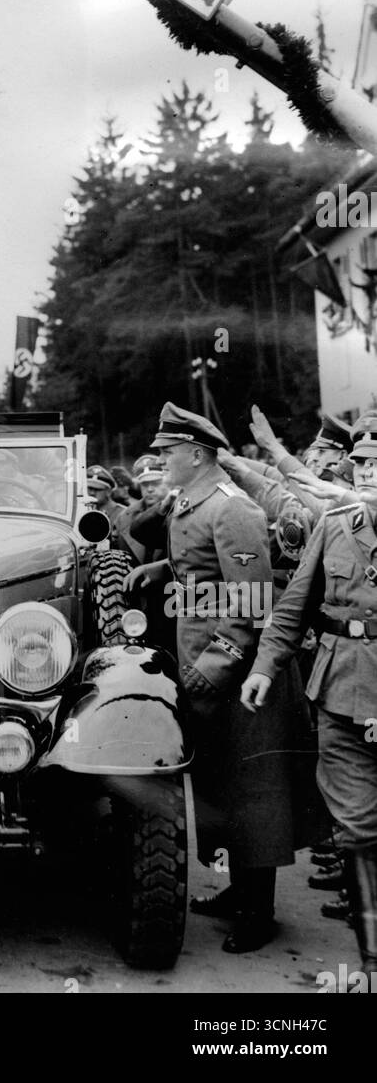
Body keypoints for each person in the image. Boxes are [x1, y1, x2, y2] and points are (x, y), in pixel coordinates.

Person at [126, 402, 317, 952]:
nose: (160, 461)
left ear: (196, 453)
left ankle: (260, 913)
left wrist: (211, 672)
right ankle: (239, 892)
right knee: (222, 786)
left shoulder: (234, 510)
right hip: (206, 666)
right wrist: (160, 569)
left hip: (242, 678)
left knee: (255, 793)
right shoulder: (195, 502)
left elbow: (252, 606)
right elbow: (205, 566)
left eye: (166, 453)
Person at [241, 411, 377, 975]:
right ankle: (371, 964)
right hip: (342, 692)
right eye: (362, 460)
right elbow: (295, 603)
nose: (364, 468)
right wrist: (266, 667)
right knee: (357, 827)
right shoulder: (338, 520)